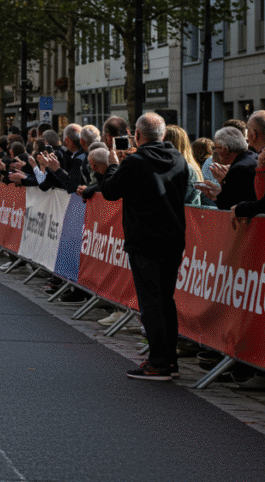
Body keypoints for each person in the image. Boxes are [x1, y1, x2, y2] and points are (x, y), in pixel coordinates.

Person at [96, 112, 189, 381]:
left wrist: (113, 165)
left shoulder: (135, 162)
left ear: (137, 135)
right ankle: (169, 360)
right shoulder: (179, 158)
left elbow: (110, 191)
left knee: (151, 303)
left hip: (145, 240)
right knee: (166, 300)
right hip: (173, 238)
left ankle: (158, 363)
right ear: (163, 134)